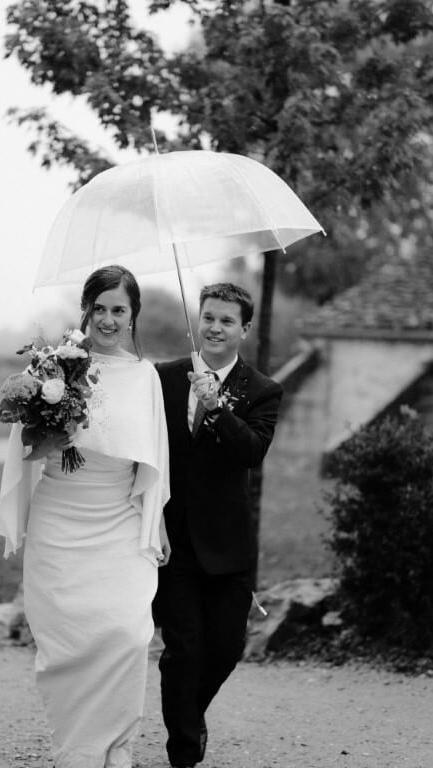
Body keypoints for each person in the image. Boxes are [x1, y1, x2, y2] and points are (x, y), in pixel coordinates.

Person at [0, 264, 171, 768]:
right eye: (100, 309)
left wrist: (152, 522)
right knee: (69, 641)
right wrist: (58, 428)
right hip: (61, 520)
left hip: (117, 518)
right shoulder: (53, 369)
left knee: (128, 634)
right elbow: (28, 451)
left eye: (120, 310)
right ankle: (78, 749)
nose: (108, 319)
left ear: (133, 316)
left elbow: (154, 461)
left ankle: (117, 743)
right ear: (85, 311)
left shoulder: (146, 379)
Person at [153, 282, 283, 768]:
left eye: (227, 320)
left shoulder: (263, 390)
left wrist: (218, 408)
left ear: (244, 330)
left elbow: (252, 452)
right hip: (174, 541)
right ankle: (183, 752)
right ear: (199, 318)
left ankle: (191, 714)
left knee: (226, 650)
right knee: (182, 651)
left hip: (229, 544)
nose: (215, 327)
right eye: (208, 316)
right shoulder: (164, 378)